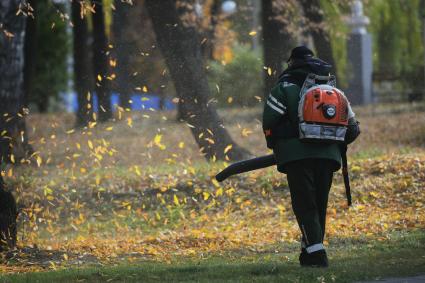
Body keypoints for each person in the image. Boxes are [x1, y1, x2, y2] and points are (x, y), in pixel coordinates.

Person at [262, 46, 360, 267]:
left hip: (296, 157)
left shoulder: (284, 87)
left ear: (292, 63)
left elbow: (269, 122)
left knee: (305, 205)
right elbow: (353, 129)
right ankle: (309, 253)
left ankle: (317, 255)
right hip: (329, 157)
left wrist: (278, 145)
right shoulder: (332, 90)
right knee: (318, 204)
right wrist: (332, 144)